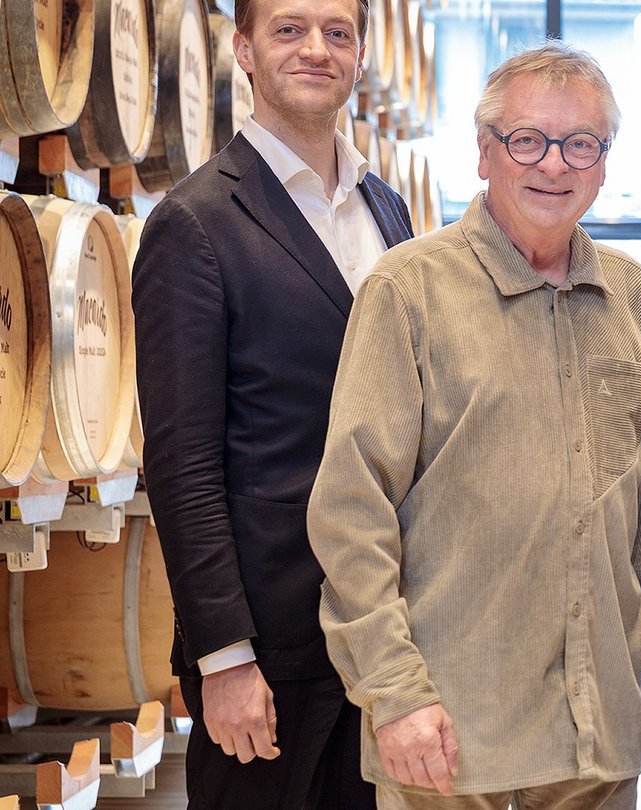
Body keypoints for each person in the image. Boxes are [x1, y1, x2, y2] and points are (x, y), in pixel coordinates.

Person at [306, 42, 641, 809]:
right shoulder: (407, 290)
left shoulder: (635, 299)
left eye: (581, 144)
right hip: (447, 730)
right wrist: (395, 695)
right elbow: (350, 513)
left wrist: (628, 663)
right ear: (484, 153)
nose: (554, 165)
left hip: (595, 734)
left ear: (604, 163)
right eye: (527, 140)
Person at [132, 0, 413, 807]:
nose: (316, 49)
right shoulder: (194, 222)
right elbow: (182, 465)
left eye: (338, 32)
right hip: (270, 650)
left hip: (382, 637)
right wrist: (224, 657)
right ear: (244, 49)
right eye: (289, 29)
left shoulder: (387, 209)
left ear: (360, 54)